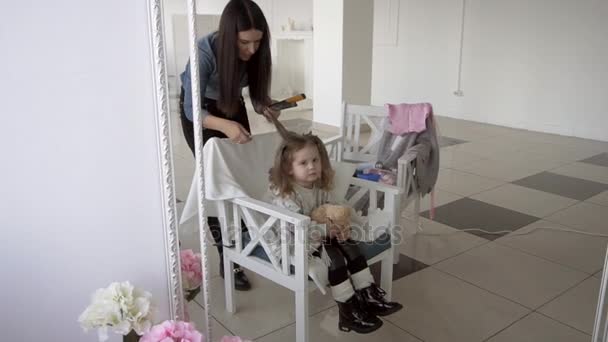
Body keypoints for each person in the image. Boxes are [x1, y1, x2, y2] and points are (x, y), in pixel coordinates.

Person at [179, 0, 279, 291]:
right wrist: (223, 125)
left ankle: (248, 242)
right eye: (244, 42)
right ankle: (228, 257)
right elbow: (191, 110)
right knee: (217, 181)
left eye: (257, 42)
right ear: (227, 37)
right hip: (202, 112)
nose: (251, 50)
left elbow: (255, 94)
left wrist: (265, 105)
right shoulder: (204, 53)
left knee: (243, 174)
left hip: (230, 103)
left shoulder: (257, 51)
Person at [266, 133, 403, 334]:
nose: (312, 166)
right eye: (303, 163)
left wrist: (342, 226)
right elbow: (296, 228)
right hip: (295, 242)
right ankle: (347, 311)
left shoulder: (319, 188)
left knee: (350, 245)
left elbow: (334, 208)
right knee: (335, 258)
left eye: (315, 160)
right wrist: (325, 230)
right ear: (288, 168)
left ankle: (368, 295)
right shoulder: (287, 195)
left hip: (318, 236)